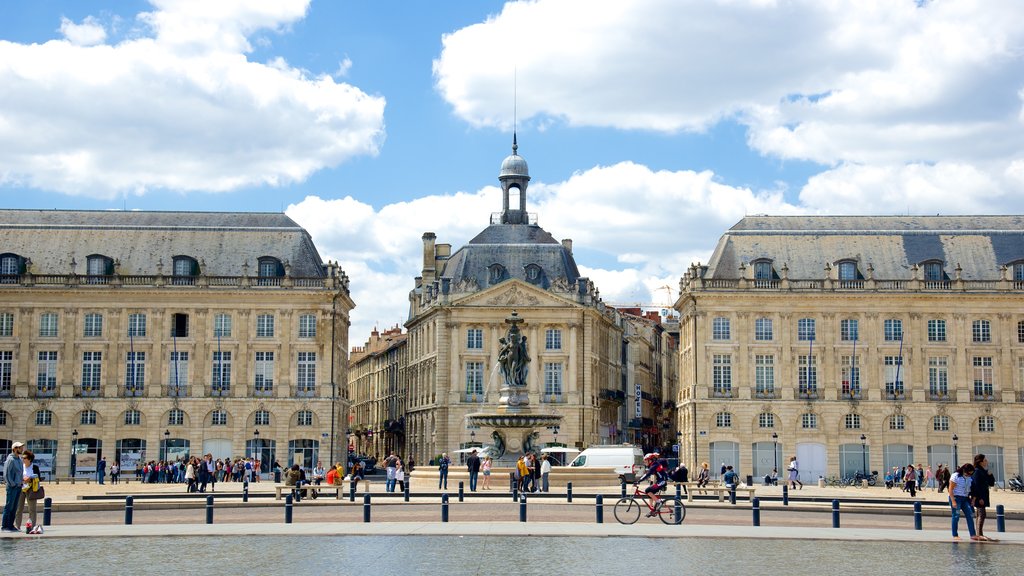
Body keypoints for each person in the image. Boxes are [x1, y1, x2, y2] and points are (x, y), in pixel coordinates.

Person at [948, 462, 980, 541]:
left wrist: (973, 499)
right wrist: (953, 501)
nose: (969, 475)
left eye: (971, 474)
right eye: (968, 473)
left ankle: (973, 534)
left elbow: (973, 489)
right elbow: (950, 489)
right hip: (956, 497)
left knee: (970, 514)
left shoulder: (970, 478)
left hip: (965, 498)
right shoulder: (955, 476)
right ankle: (955, 534)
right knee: (956, 516)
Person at [971, 454, 996, 541]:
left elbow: (991, 483)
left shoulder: (983, 471)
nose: (986, 462)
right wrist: (979, 497)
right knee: (981, 514)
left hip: (983, 496)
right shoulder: (977, 471)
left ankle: (979, 534)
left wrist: (990, 475)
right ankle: (979, 534)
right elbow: (976, 485)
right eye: (985, 460)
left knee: (981, 514)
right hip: (979, 497)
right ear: (980, 462)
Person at [2, 441, 25, 532]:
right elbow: (6, 474)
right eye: (20, 447)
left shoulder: (19, 459)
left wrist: (21, 482)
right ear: (15, 449)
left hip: (18, 486)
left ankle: (11, 525)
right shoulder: (10, 460)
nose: (22, 449)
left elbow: (20, 473)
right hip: (12, 487)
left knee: (15, 507)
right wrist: (13, 484)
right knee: (9, 506)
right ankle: (5, 526)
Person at [18, 450, 42, 534]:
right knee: (19, 509)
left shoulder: (35, 467)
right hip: (21, 489)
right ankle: (17, 526)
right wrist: (22, 479)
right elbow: (18, 475)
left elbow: (38, 477)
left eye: (24, 458)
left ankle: (32, 527)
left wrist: (30, 478)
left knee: (32, 509)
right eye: (22, 458)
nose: (23, 459)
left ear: (30, 459)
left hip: (31, 490)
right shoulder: (21, 466)